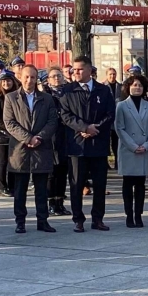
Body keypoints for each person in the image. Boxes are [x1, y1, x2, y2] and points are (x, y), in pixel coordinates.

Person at [57, 55, 116, 233]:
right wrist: (83, 127)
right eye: (73, 69)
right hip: (77, 145)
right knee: (76, 184)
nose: (75, 72)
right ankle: (78, 219)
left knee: (99, 184)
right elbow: (65, 115)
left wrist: (95, 128)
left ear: (90, 70)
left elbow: (110, 113)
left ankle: (98, 219)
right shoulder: (67, 90)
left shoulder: (103, 90)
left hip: (98, 143)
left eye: (79, 69)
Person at [3, 64, 58, 234]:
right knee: (20, 190)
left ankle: (43, 221)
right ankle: (20, 222)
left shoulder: (47, 99)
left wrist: (39, 137)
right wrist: (28, 138)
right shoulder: (11, 98)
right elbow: (10, 123)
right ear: (20, 77)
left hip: (41, 149)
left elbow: (52, 121)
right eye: (26, 77)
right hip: (20, 150)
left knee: (41, 189)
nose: (29, 80)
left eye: (33, 77)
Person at [115, 72, 148, 228]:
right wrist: (133, 146)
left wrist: (147, 145)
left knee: (140, 184)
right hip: (128, 149)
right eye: (134, 85)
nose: (137, 88)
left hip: (144, 149)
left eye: (140, 85)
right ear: (128, 87)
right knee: (127, 184)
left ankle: (138, 215)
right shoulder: (121, 106)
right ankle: (129, 215)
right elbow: (119, 128)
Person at [44, 67, 71, 217]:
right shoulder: (45, 94)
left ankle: (60, 202)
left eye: (59, 76)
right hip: (50, 136)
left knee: (62, 170)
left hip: (65, 135)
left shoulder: (68, 93)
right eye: (53, 76)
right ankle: (51, 203)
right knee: (52, 172)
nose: (56, 78)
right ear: (48, 79)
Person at [0, 70, 18, 197]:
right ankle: (2, 186)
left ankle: (12, 185)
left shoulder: (17, 94)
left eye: (9, 80)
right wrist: (4, 126)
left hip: (16, 131)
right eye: (4, 81)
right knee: (3, 160)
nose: (6, 83)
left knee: (14, 161)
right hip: (2, 132)